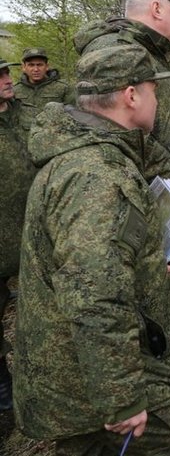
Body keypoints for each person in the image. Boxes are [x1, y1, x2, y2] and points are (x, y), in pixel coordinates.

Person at [14, 44, 170, 455]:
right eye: (153, 90)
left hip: (83, 370)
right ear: (130, 95)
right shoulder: (95, 176)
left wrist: (147, 268)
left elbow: (93, 262)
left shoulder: (90, 158)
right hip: (89, 381)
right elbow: (94, 299)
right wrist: (122, 399)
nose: (157, 99)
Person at [74, 0, 170, 198]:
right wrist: (166, 167)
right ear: (157, 9)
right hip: (137, 197)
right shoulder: (116, 49)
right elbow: (102, 126)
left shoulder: (150, 51)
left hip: (162, 197)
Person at [0, 57, 36, 412]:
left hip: (33, 230)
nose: (7, 79)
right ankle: (2, 384)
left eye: (7, 72)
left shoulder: (28, 114)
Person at [13, 47, 75, 129]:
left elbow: (75, 116)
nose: (36, 69)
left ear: (47, 66)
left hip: (53, 137)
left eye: (40, 65)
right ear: (24, 67)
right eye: (31, 65)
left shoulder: (63, 88)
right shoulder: (14, 91)